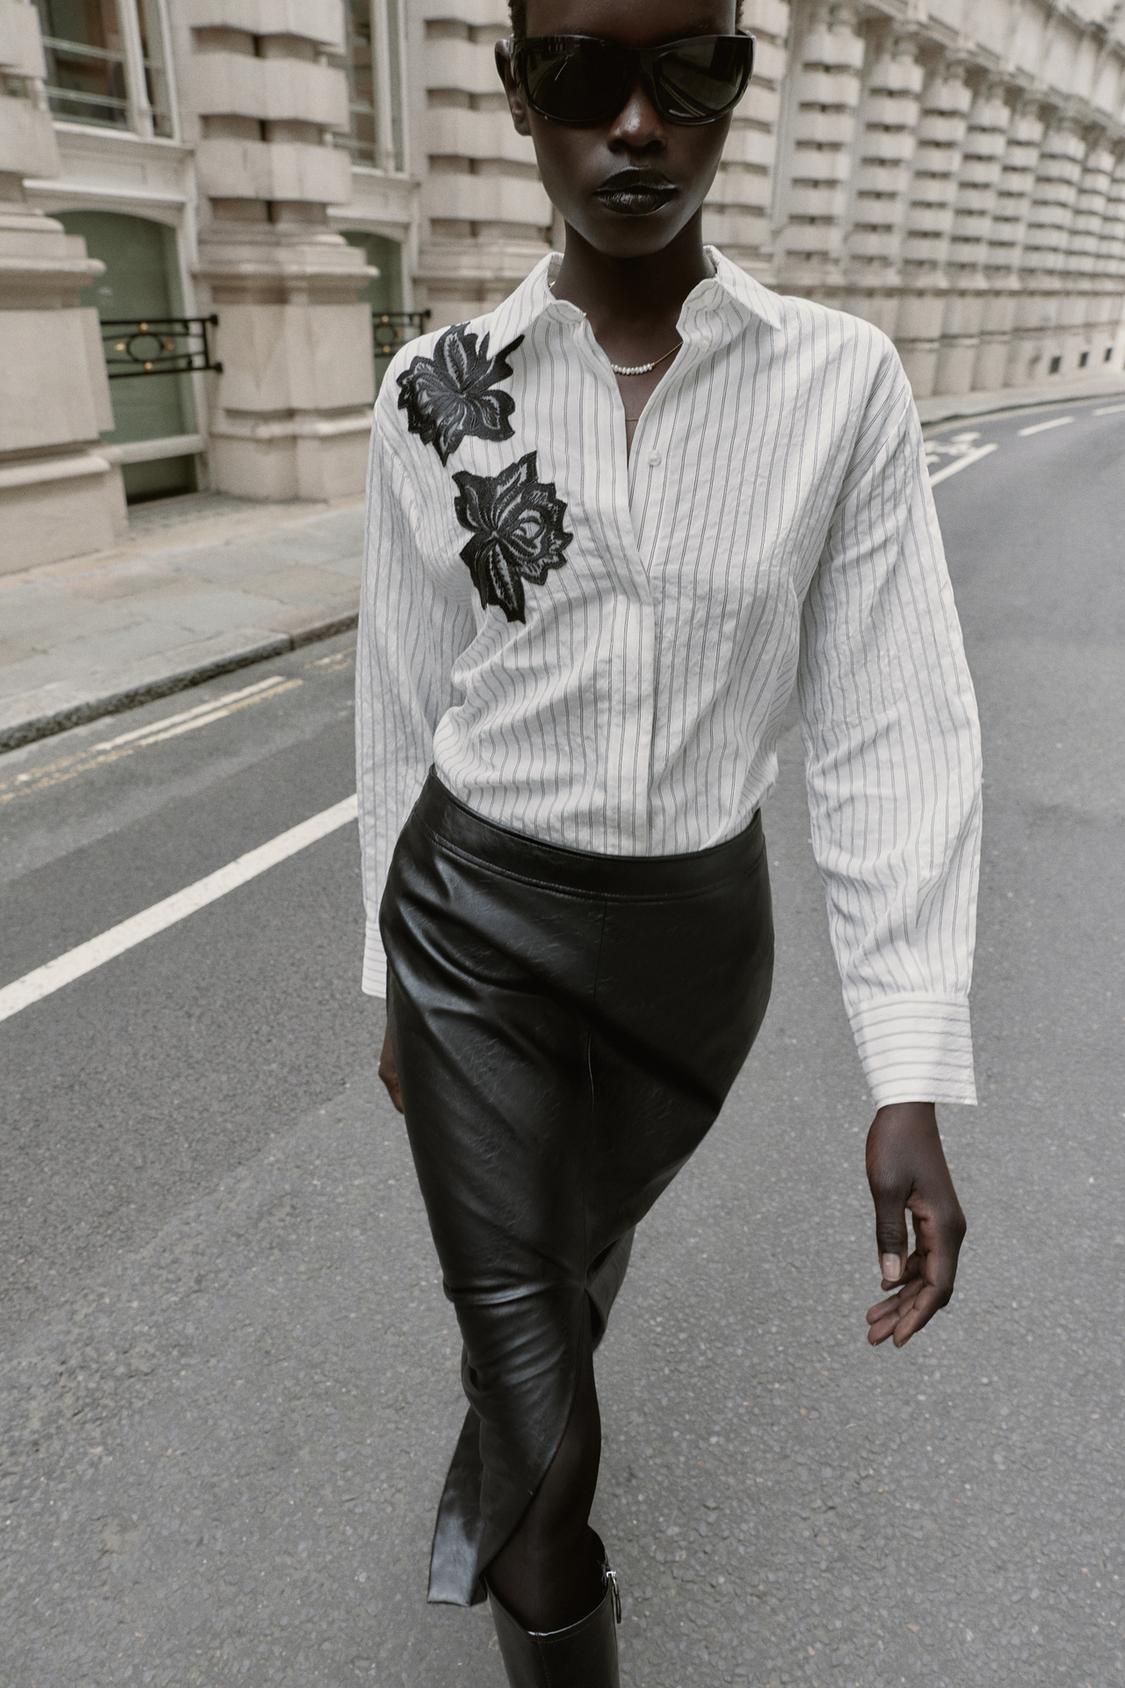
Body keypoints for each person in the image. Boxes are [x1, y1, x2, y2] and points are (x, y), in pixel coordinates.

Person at [354, 3, 981, 1683]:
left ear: (734, 90)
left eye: (685, 74)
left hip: (690, 963)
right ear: (514, 98)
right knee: (553, 1438)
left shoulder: (836, 381)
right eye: (579, 79)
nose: (636, 124)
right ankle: (532, 1488)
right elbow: (402, 706)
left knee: (562, 1288)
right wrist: (389, 985)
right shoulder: (433, 392)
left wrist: (902, 1068)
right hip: (472, 928)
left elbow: (885, 723)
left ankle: (516, 1389)